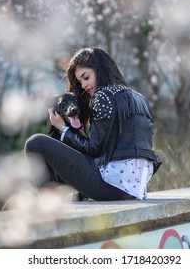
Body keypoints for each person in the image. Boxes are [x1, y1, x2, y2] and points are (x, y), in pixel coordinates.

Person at [25, 47, 161, 201]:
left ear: (100, 70)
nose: (83, 85)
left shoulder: (103, 95)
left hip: (112, 185)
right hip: (135, 188)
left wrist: (63, 129)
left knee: (35, 143)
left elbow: (93, 148)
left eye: (86, 77)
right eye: (80, 81)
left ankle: (49, 206)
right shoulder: (138, 97)